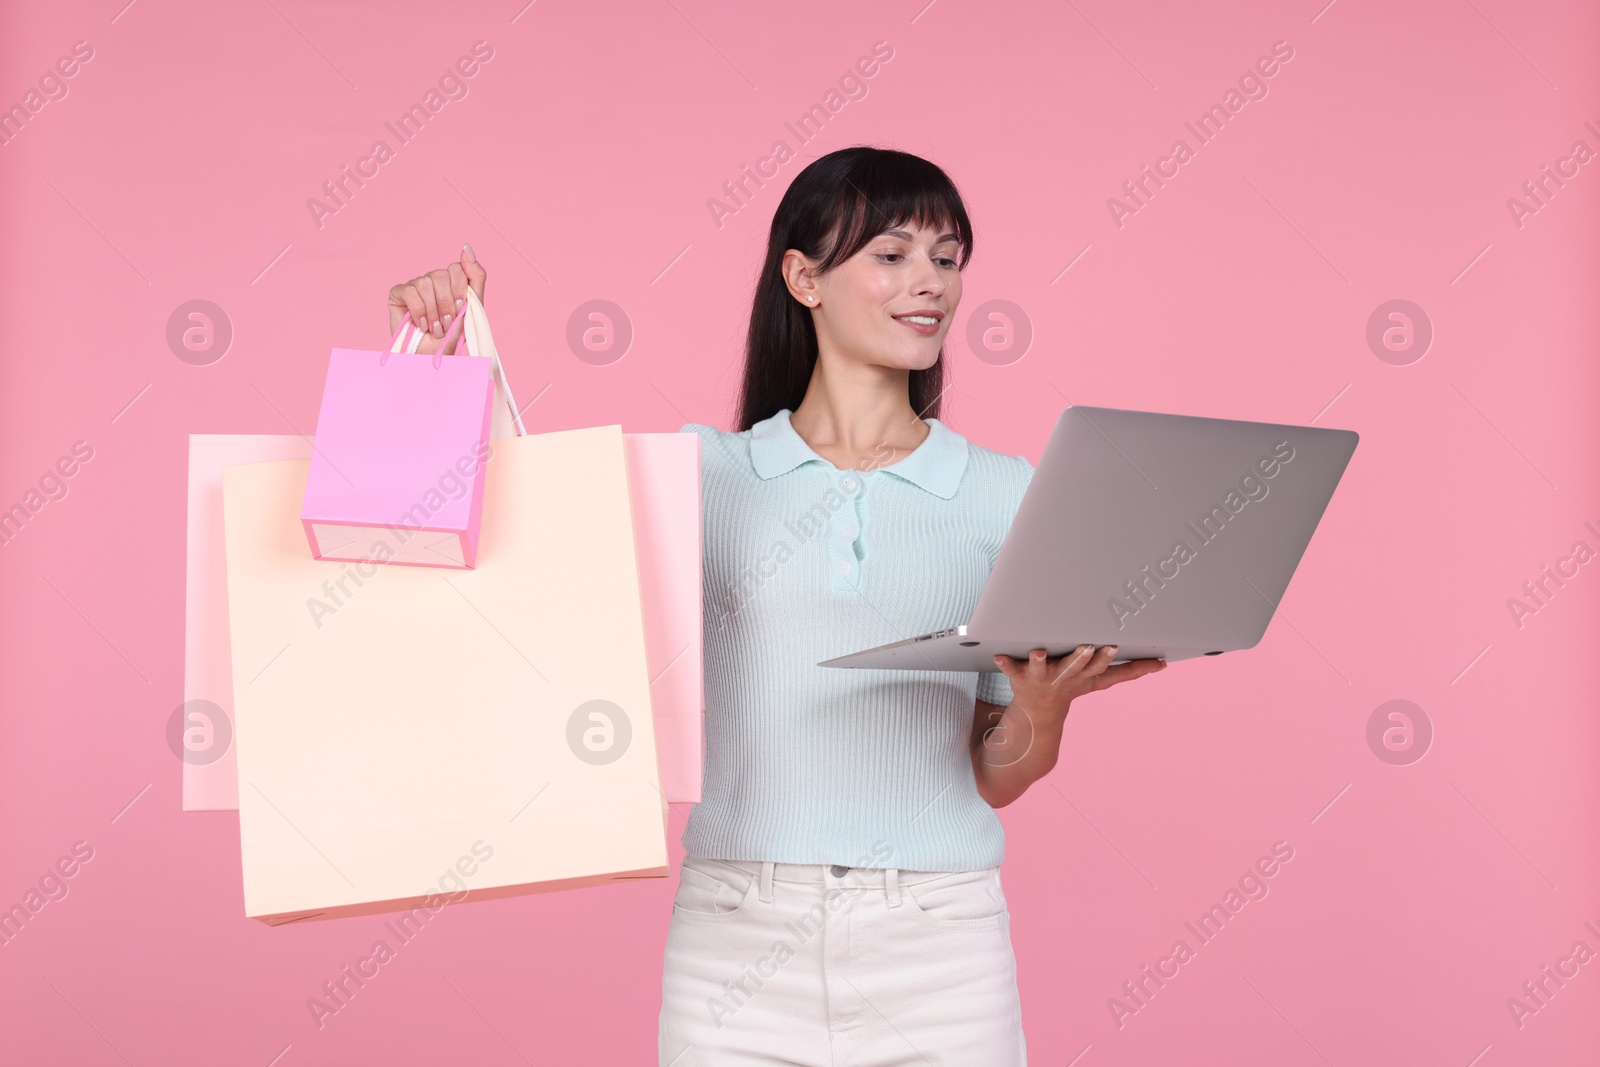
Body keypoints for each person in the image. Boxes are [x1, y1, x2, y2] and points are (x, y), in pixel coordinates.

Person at [388, 146, 1166, 1066]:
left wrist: (1043, 706)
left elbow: (997, 773)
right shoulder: (705, 475)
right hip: (735, 941)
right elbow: (526, 541)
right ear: (804, 277)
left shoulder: (1002, 494)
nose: (930, 284)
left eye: (948, 258)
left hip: (941, 945)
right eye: (892, 254)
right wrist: (433, 362)